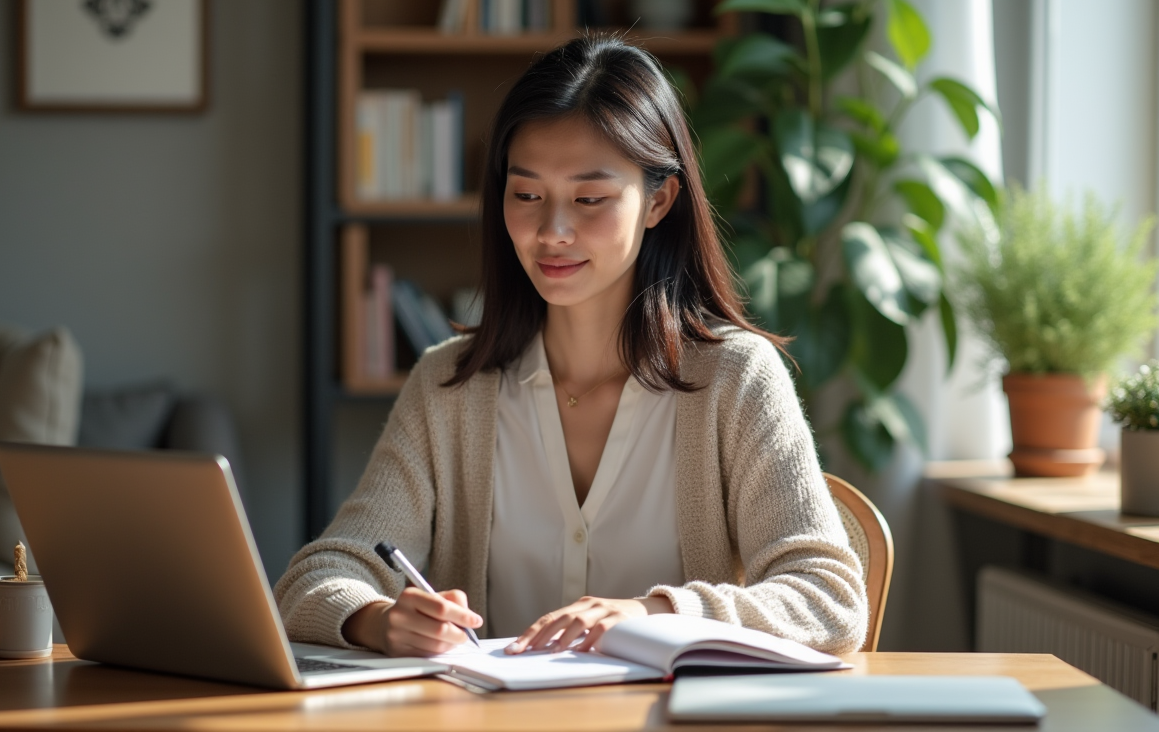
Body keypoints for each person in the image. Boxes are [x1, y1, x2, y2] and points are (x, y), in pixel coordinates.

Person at [274, 35, 867, 658]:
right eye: (526, 195)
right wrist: (376, 618)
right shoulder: (449, 383)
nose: (551, 232)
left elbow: (828, 600)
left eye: (589, 199)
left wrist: (653, 613)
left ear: (658, 201)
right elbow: (316, 578)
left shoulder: (736, 378)